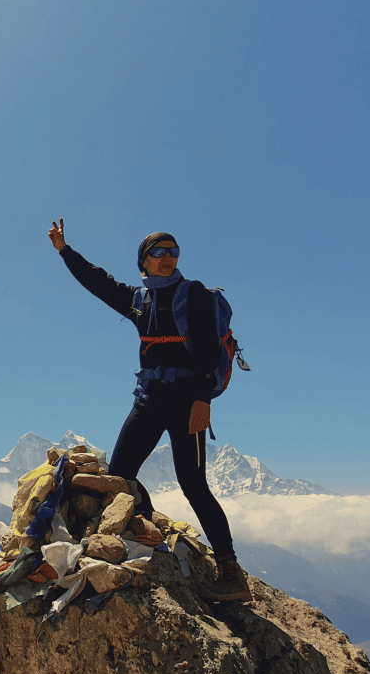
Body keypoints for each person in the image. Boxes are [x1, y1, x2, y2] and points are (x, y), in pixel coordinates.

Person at [48, 218, 252, 602]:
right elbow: (98, 282)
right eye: (159, 252)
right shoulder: (138, 300)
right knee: (121, 474)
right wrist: (65, 250)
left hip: (187, 402)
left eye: (173, 252)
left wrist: (204, 401)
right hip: (150, 399)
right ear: (143, 263)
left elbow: (209, 349)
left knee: (194, 485)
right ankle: (145, 524)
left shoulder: (193, 295)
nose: (168, 258)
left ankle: (230, 570)